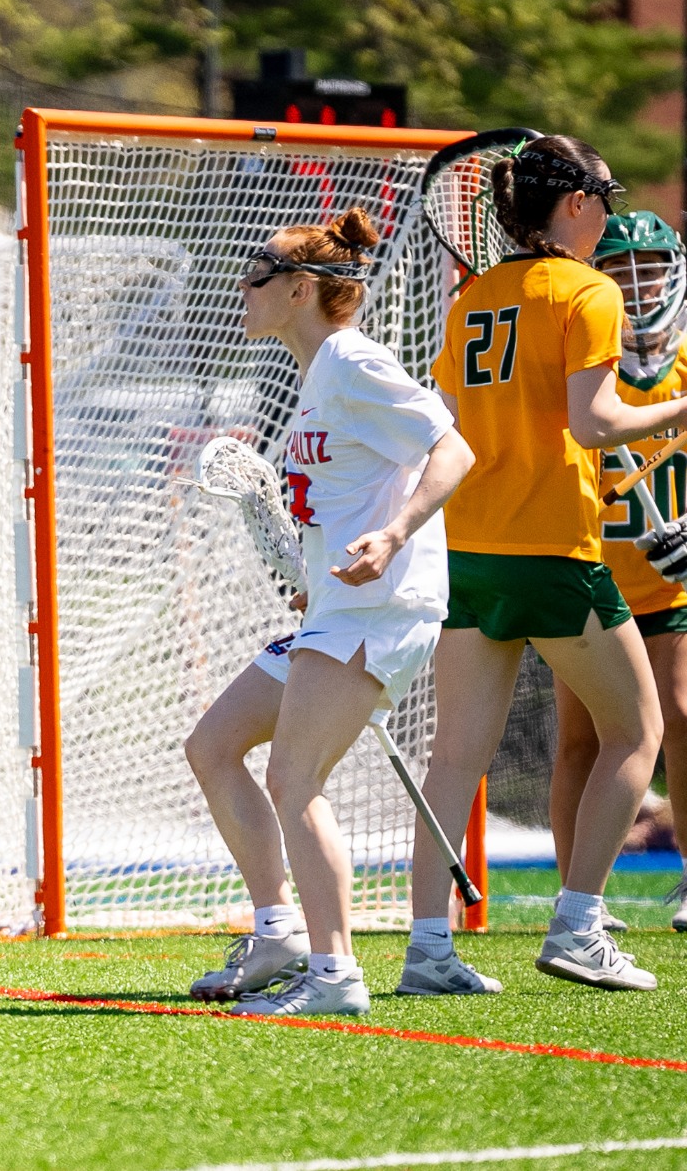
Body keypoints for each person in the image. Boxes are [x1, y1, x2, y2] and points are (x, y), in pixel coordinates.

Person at [414, 134, 687, 995]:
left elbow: (449, 428)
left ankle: (427, 951)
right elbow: (596, 422)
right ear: (574, 203)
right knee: (639, 733)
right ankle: (578, 924)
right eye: (604, 194)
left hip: (475, 549)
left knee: (455, 758)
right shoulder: (588, 288)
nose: (607, 211)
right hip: (553, 550)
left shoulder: (475, 296)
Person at [181, 209, 472, 1016]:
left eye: (258, 276)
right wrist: (323, 570)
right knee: (213, 745)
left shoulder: (351, 359)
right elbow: (353, 491)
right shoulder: (317, 377)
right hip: (339, 604)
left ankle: (336, 976)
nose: (243, 289)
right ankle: (279, 931)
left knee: (294, 776)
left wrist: (394, 534)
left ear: (302, 288)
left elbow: (453, 448)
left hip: (382, 606)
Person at [551, 211, 687, 935]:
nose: (639, 280)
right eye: (622, 266)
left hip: (673, 581)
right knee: (583, 738)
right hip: (594, 576)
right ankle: (580, 897)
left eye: (652, 265)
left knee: (683, 716)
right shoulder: (584, 360)